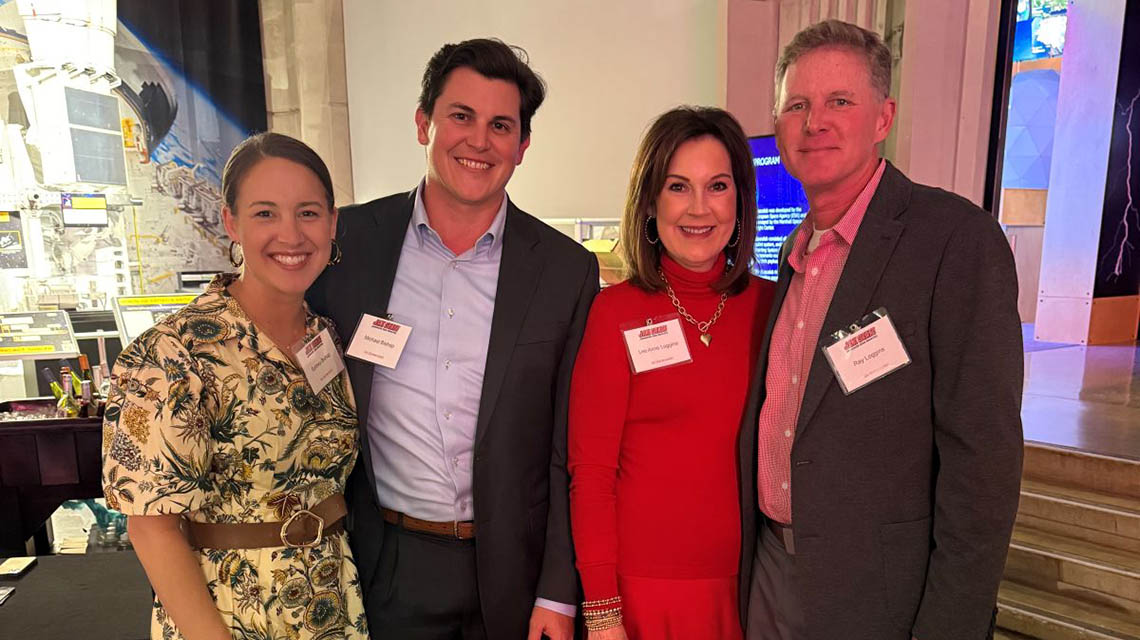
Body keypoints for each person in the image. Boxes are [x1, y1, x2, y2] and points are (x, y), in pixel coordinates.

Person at [737, 19, 1024, 640]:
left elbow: (984, 462)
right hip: (769, 575)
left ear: (883, 118)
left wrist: (953, 623)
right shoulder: (794, 253)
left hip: (882, 595)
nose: (815, 122)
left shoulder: (954, 241)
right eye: (797, 105)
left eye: (840, 101)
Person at [305, 38, 598, 640]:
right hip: (385, 561)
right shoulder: (348, 243)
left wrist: (559, 591)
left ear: (522, 146)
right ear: (424, 123)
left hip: (514, 576)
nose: (479, 140)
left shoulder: (566, 271)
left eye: (500, 125)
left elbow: (572, 447)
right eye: (460, 116)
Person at [102, 132, 368, 639]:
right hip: (228, 610)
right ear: (231, 221)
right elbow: (151, 526)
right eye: (265, 213)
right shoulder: (170, 355)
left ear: (333, 223)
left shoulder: (327, 336)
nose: (291, 236)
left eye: (308, 213)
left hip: (333, 601)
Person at [569, 106, 776, 639]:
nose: (700, 208)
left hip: (749, 592)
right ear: (650, 202)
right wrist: (603, 611)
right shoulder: (614, 313)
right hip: (641, 596)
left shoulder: (771, 308)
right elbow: (592, 474)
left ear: (741, 199)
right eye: (678, 186)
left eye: (718, 186)